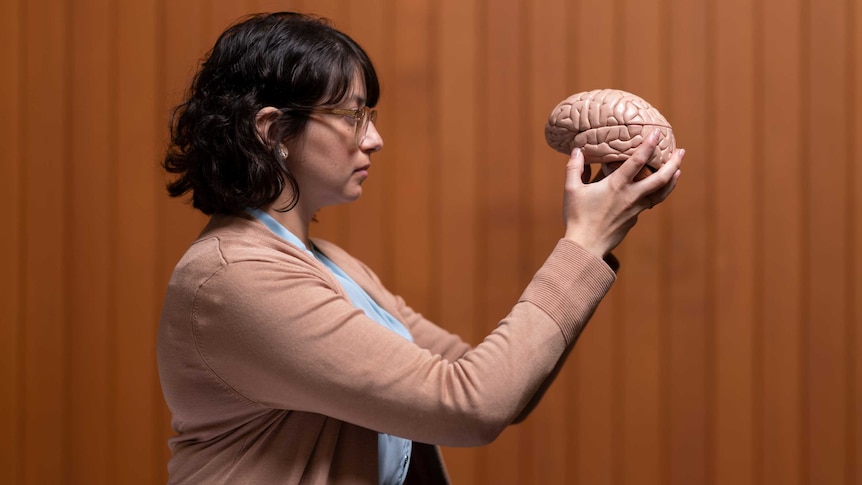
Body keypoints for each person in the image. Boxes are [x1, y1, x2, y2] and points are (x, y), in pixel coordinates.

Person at [156, 11, 684, 485]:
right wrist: (583, 243)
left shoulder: (332, 265)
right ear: (273, 130)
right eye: (351, 116)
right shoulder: (233, 279)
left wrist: (599, 239)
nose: (373, 139)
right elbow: (471, 405)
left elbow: (500, 382)